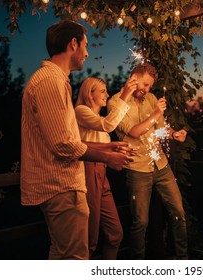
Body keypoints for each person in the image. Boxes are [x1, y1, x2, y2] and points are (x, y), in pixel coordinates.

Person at [21, 20, 133, 260]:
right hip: (60, 185)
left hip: (62, 184)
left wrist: (108, 146)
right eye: (85, 45)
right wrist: (107, 156)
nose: (87, 52)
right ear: (73, 44)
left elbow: (65, 139)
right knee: (75, 257)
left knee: (63, 255)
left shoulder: (56, 80)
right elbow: (63, 144)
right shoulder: (50, 81)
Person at [107, 62, 188, 259]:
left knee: (179, 213)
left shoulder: (151, 99)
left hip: (160, 165)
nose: (147, 90)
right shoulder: (116, 102)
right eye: (144, 84)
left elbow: (157, 130)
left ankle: (183, 260)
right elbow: (134, 132)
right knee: (141, 222)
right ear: (133, 78)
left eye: (150, 86)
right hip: (137, 170)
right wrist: (156, 114)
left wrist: (173, 134)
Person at [74, 76, 138, 259]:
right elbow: (108, 125)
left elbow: (103, 140)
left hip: (102, 177)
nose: (107, 94)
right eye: (102, 91)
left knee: (115, 234)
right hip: (87, 173)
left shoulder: (96, 118)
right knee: (90, 238)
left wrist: (120, 150)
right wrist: (124, 96)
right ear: (89, 93)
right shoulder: (80, 111)